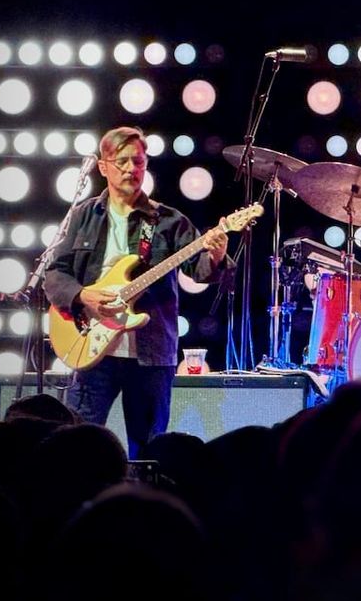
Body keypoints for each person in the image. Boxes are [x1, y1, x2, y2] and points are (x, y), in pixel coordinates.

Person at [46, 126, 231, 457]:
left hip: (150, 353)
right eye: (123, 161)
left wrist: (215, 255)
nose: (132, 169)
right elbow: (54, 275)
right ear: (103, 166)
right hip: (92, 347)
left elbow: (199, 270)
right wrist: (83, 296)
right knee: (77, 446)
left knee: (148, 450)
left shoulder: (168, 221)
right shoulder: (83, 216)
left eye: (139, 161)